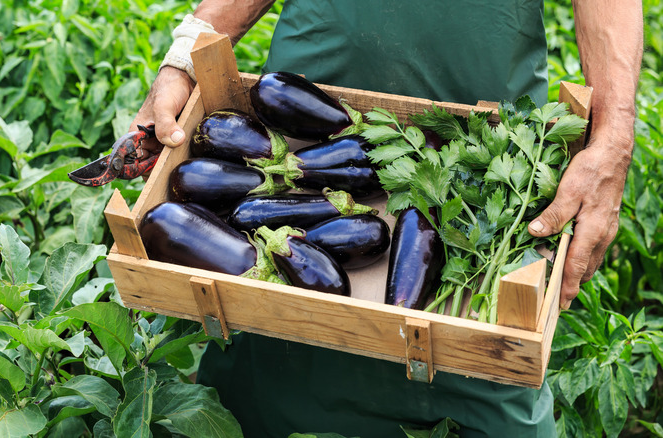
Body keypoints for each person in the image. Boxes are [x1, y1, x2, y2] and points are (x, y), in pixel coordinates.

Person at [130, 1, 643, 436]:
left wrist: (614, 140)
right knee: (268, 331)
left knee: (480, 348)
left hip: (480, 119)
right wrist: (186, 53)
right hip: (303, 100)